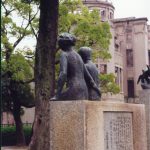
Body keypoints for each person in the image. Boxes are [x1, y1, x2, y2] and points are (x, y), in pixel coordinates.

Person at [51, 33, 100, 100]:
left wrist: (57, 95)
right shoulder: (78, 56)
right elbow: (89, 77)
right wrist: (97, 90)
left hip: (73, 89)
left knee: (53, 103)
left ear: (62, 44)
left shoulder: (64, 54)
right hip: (84, 91)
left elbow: (63, 73)